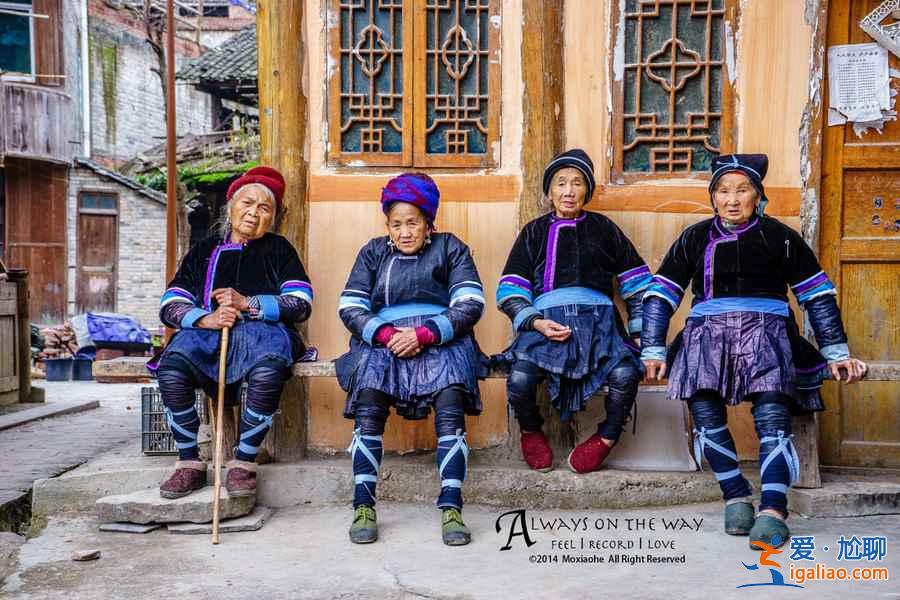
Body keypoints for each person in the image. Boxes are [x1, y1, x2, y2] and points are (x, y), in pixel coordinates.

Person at [640, 154, 866, 549]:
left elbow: (816, 294)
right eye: (723, 191)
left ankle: (774, 508)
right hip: (706, 337)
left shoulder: (780, 236)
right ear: (713, 198)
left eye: (742, 190)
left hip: (768, 336)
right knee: (705, 412)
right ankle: (736, 496)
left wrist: (836, 351)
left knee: (772, 416)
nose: (732, 199)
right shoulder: (695, 238)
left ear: (757, 196)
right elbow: (661, 294)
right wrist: (653, 349)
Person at [335, 173, 486, 546]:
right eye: (396, 224)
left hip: (441, 340)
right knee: (368, 400)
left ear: (429, 223)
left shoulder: (451, 248)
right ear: (387, 226)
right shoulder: (373, 252)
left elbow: (470, 303)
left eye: (413, 223)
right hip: (383, 343)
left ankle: (452, 505)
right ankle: (363, 505)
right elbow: (351, 306)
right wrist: (387, 335)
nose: (404, 232)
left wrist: (424, 333)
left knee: (451, 399)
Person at [156, 166, 313, 499]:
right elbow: (171, 303)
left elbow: (300, 303)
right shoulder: (204, 249)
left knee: (270, 370)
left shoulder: (279, 250)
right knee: (171, 368)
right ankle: (189, 463)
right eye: (247, 203)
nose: (253, 213)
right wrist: (204, 319)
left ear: (273, 217)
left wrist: (248, 303)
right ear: (231, 207)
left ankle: (243, 461)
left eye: (264, 208)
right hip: (207, 333)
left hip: (264, 334)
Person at [496, 149, 651, 474]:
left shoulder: (605, 229)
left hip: (599, 329)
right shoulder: (534, 232)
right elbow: (510, 290)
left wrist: (642, 339)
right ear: (550, 191)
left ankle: (607, 437)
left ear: (587, 190)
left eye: (577, 183)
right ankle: (530, 430)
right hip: (545, 329)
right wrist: (535, 322)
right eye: (561, 183)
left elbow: (639, 288)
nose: (569, 191)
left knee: (625, 374)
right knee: (521, 379)